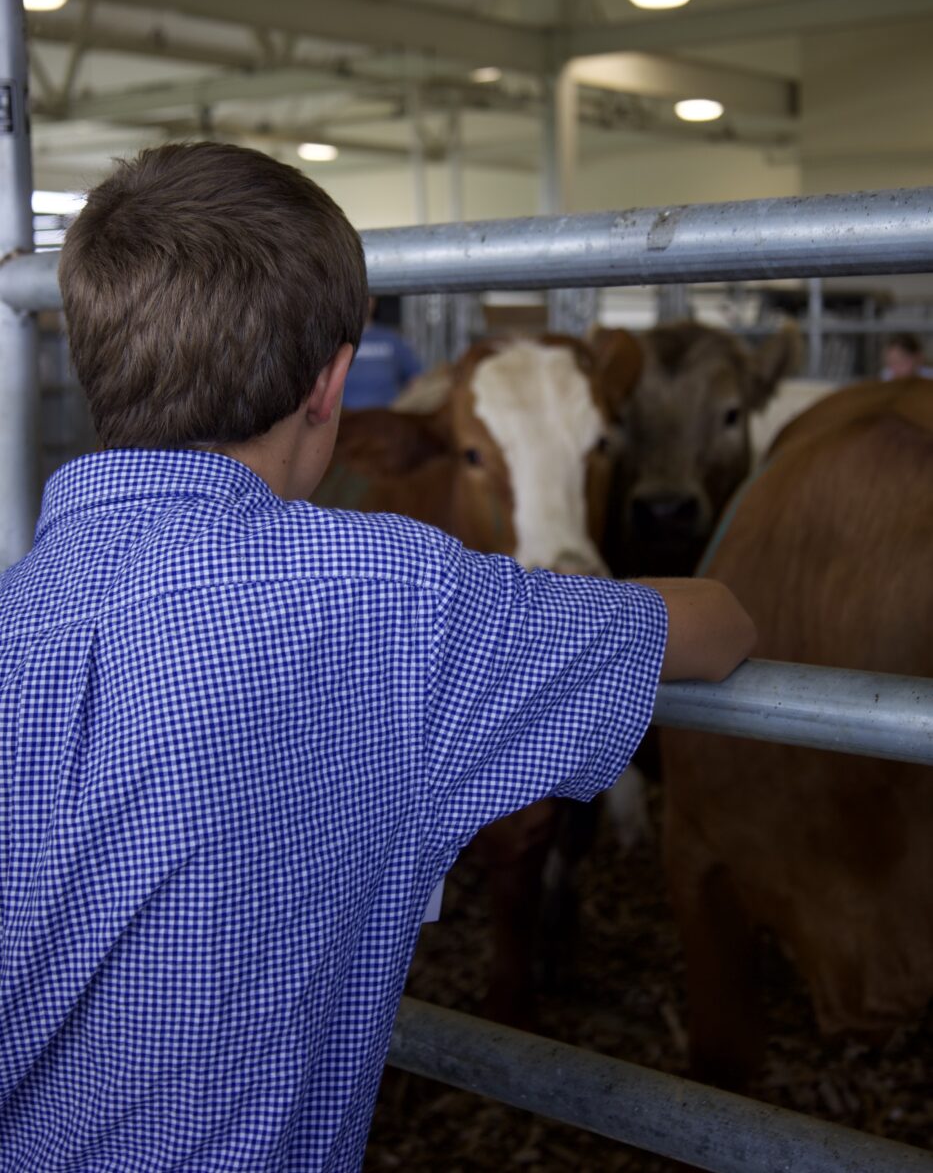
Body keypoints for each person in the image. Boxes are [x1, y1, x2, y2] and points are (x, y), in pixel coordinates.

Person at [0, 143, 755, 1172]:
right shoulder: (392, 596)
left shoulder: (19, 611)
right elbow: (715, 624)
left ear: (89, 363)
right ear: (334, 387)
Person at [342, 298, 423, 409]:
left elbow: (416, 380)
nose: (363, 300)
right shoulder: (338, 341)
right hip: (345, 421)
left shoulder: (392, 339)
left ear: (375, 301)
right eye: (358, 295)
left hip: (387, 419)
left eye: (368, 295)